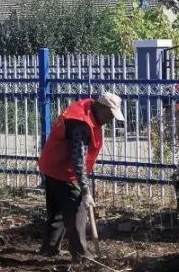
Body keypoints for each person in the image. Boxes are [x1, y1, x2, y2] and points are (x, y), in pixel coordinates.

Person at [37, 92, 125, 261]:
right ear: (100, 107)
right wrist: (85, 190)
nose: (110, 120)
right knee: (78, 211)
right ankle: (81, 255)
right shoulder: (81, 124)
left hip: (52, 165)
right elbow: (78, 159)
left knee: (57, 211)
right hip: (64, 171)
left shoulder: (86, 108)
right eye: (109, 115)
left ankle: (49, 248)